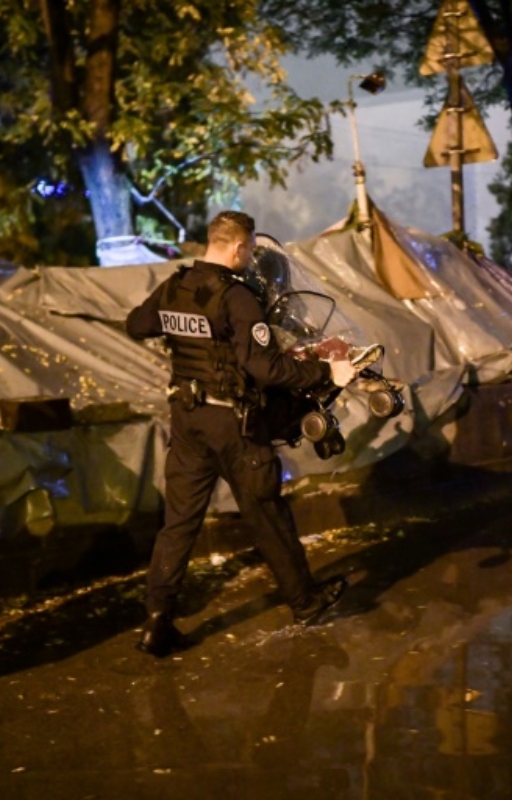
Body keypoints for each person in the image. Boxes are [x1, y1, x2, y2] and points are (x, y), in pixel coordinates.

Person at [127, 210, 358, 657]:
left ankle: (157, 622)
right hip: (234, 425)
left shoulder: (175, 286)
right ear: (237, 248)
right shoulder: (238, 297)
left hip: (188, 420)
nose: (250, 258)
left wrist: (181, 332)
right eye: (250, 250)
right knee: (265, 512)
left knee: (178, 524)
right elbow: (265, 368)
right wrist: (325, 370)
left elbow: (136, 324)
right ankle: (305, 602)